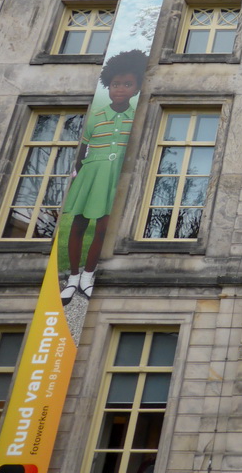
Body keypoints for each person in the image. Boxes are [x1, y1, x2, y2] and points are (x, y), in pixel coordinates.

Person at [60, 49, 147, 302]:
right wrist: (77, 177)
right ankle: (72, 277)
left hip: (113, 178)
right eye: (115, 84)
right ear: (108, 86)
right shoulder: (95, 118)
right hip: (91, 175)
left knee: (103, 227)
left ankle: (88, 275)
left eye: (127, 84)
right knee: (78, 225)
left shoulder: (135, 118)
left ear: (136, 88)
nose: (120, 89)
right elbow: (81, 151)